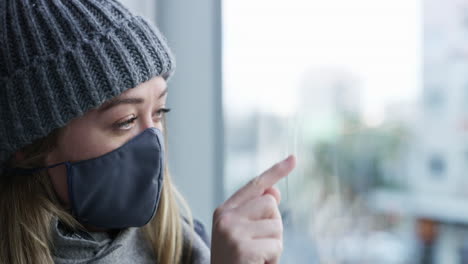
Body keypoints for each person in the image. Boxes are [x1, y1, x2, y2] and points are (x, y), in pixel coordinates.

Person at [0, 0, 296, 263]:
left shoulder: (189, 243)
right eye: (126, 120)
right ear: (30, 147)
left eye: (159, 112)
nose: (152, 140)